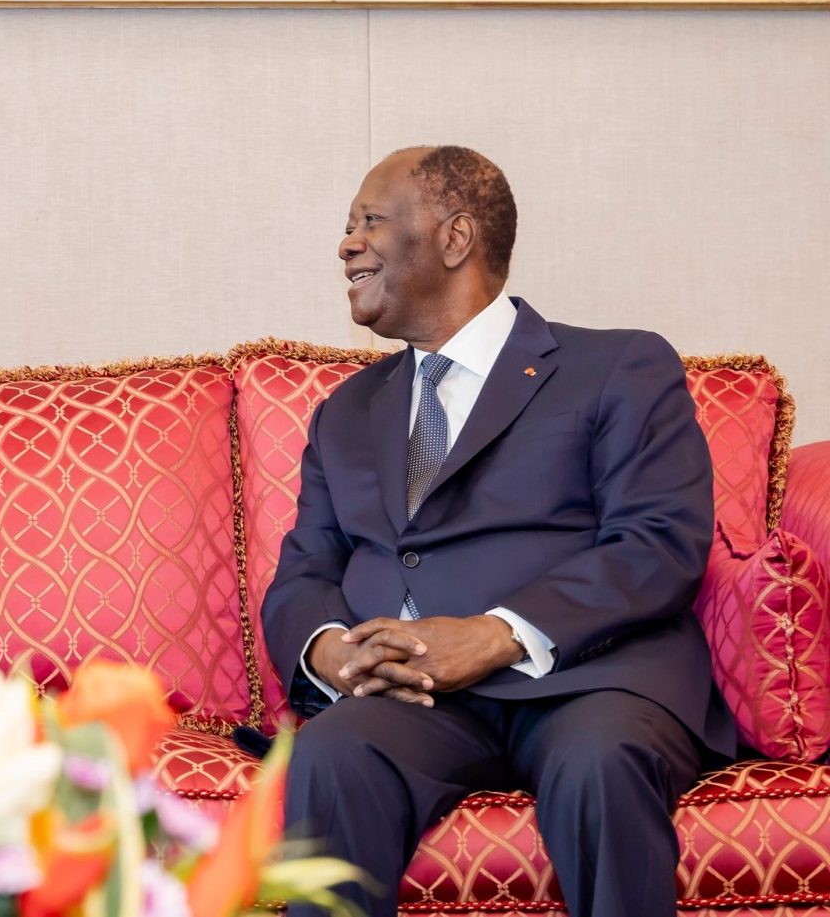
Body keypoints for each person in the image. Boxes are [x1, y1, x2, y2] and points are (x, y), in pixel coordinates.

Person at [261, 146, 732, 917]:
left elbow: (659, 540)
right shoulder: (346, 412)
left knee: (601, 761)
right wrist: (332, 651)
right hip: (415, 703)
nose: (347, 243)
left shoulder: (618, 366)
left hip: (588, 681)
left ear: (455, 237)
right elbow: (305, 570)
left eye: (370, 221)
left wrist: (497, 633)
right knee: (333, 751)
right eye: (348, 226)